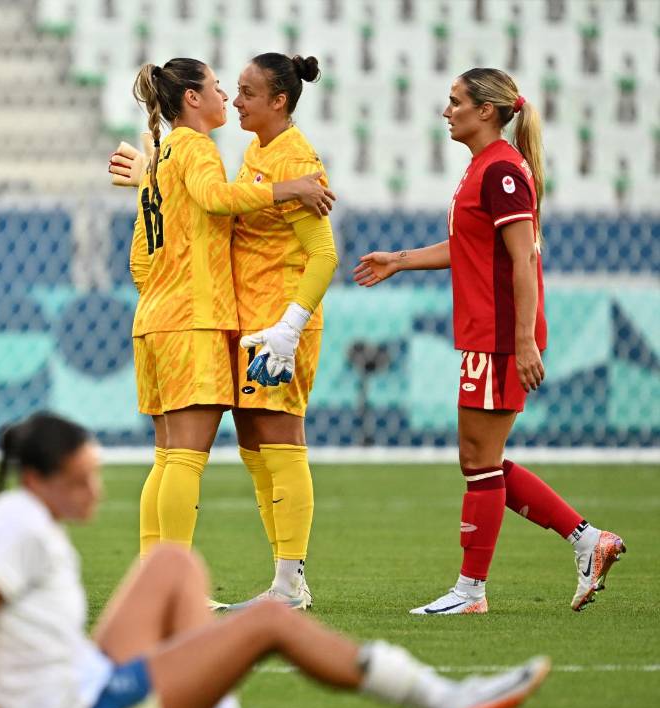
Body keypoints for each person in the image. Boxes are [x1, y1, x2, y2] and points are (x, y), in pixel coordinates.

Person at [0, 412, 550, 708]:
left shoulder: (22, 518)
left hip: (89, 694)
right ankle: (448, 703)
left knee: (171, 563)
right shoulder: (19, 527)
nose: (95, 490)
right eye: (81, 479)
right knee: (270, 620)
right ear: (38, 480)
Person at [351, 68, 625, 614]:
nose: (446, 111)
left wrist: (523, 340)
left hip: (500, 335)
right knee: (484, 458)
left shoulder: (501, 171)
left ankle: (471, 590)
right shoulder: (485, 168)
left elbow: (524, 257)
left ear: (487, 111)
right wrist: (399, 261)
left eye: (455, 102)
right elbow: (469, 247)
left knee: (479, 460)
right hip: (487, 333)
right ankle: (589, 542)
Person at [121, 58, 334, 569]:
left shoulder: (162, 154)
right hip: (194, 319)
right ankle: (171, 588)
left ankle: (157, 582)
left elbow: (138, 261)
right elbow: (217, 200)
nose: (228, 99)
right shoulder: (198, 148)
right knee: (187, 461)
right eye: (220, 88)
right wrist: (288, 189)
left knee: (169, 457)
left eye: (239, 91)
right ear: (192, 98)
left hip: (156, 319)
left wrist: (164, 292)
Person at [227, 54, 340, 610]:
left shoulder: (296, 156)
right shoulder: (259, 150)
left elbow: (324, 254)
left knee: (280, 438)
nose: (235, 100)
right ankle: (286, 579)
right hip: (254, 318)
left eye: (247, 92)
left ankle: (289, 580)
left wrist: (291, 327)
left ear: (279, 102)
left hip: (279, 321)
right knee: (253, 443)